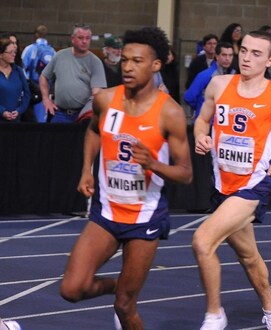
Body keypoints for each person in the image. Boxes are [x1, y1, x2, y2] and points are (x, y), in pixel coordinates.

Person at [59, 26, 193, 330]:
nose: (128, 67)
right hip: (106, 212)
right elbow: (93, 131)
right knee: (71, 289)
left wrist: (153, 164)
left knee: (125, 306)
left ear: (156, 65)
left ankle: (123, 293)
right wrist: (86, 169)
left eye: (137, 61)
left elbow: (185, 174)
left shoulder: (169, 113)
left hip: (144, 218)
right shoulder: (105, 100)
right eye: (125, 60)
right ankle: (118, 284)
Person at [192, 30, 271, 330]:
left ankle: (214, 314)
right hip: (223, 183)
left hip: (254, 185)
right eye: (243, 51)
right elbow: (202, 119)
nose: (246, 58)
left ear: (270, 60)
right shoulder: (219, 84)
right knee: (248, 256)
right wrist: (200, 137)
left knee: (202, 241)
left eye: (256, 54)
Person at [40, 23, 106, 123]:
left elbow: (97, 93)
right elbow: (43, 77)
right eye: (81, 38)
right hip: (59, 113)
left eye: (87, 38)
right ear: (73, 39)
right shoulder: (60, 56)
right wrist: (45, 99)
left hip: (82, 115)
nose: (84, 41)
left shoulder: (95, 62)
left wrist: (88, 113)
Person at [183, 41, 235, 119]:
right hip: (206, 122)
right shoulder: (205, 75)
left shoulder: (233, 75)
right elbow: (189, 97)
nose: (227, 58)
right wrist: (199, 108)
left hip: (222, 122)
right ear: (217, 56)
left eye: (230, 55)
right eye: (224, 55)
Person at [21, 24, 56, 123]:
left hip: (32, 89)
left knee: (30, 117)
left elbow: (21, 68)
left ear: (36, 34)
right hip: (46, 89)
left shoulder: (29, 49)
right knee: (42, 118)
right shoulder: (52, 51)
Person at [0, 35, 30, 122]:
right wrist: (2, 112)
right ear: (1, 54)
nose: (13, 55)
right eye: (10, 52)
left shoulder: (18, 71)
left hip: (15, 120)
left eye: (15, 52)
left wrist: (19, 110)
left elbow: (27, 94)